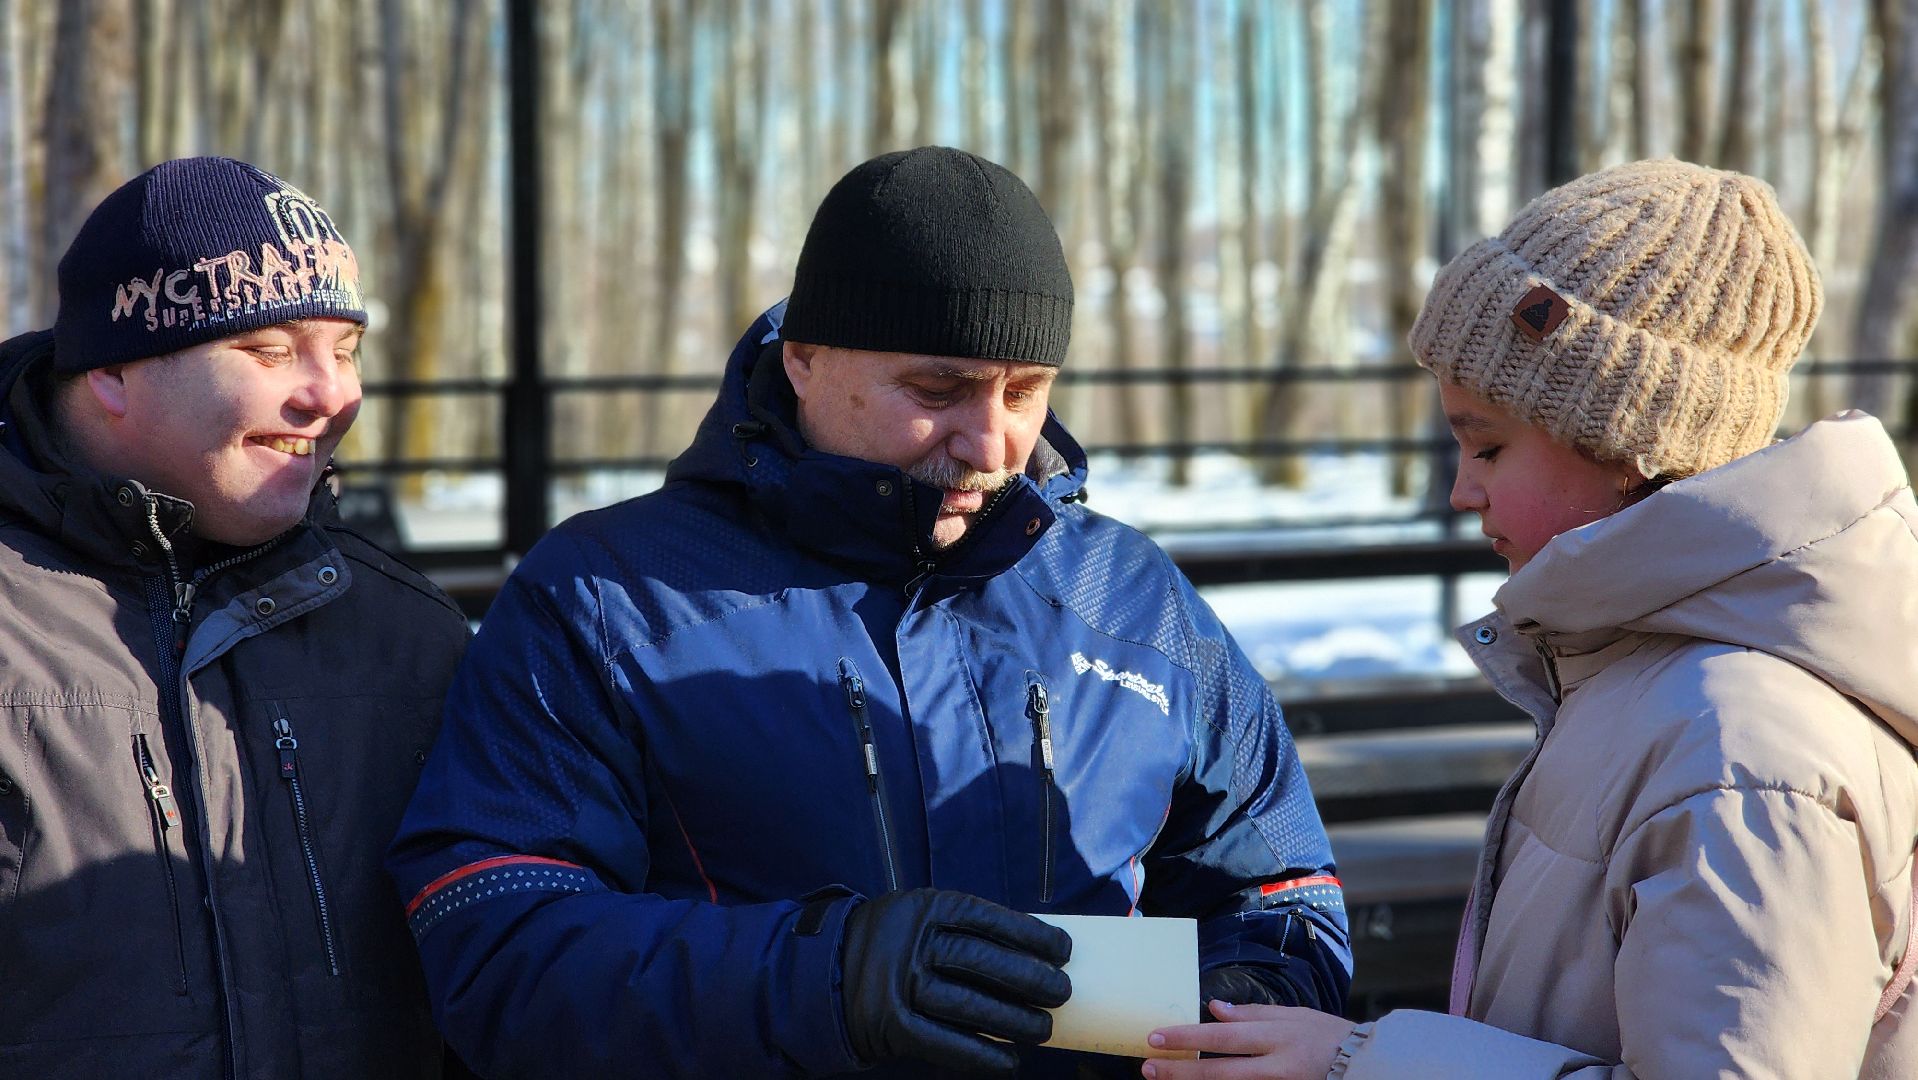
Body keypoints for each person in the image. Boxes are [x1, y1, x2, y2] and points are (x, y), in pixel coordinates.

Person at [388, 145, 1352, 1079]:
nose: (991, 441)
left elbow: (1280, 887)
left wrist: (1237, 1002)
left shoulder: (1132, 598)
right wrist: (826, 980)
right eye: (938, 390)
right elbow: (495, 937)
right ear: (804, 361)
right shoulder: (605, 596)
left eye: (1026, 392)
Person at [1140, 160, 1918, 1079]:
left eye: (1490, 445)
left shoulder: (1743, 756)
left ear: (1629, 435)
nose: (1464, 489)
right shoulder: (1650, 685)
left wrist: (1356, 1063)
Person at [0, 157, 471, 1077]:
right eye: (269, 351)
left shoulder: (412, 638)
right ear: (115, 371)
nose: (331, 394)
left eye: (345, 348)